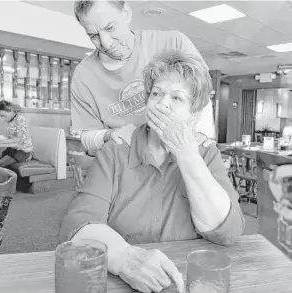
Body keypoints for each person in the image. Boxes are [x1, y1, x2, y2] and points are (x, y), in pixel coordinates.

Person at [60, 50, 245, 293]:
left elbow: (228, 231)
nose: (162, 103)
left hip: (186, 280)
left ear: (195, 114)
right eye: (156, 93)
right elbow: (77, 223)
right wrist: (125, 258)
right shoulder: (115, 151)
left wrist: (186, 154)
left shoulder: (205, 154)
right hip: (121, 282)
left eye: (177, 98)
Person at [71, 0, 216, 153]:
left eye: (110, 28)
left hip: (177, 156)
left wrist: (203, 133)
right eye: (93, 36)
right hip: (127, 163)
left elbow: (203, 95)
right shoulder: (83, 75)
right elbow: (87, 136)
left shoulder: (174, 43)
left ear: (126, 13)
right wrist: (109, 135)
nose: (105, 43)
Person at [0, 100, 33, 169]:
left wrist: (0, 141)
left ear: (10, 111)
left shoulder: (20, 119)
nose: (3, 118)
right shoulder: (11, 120)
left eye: (4, 116)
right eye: (1, 116)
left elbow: (17, 139)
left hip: (23, 152)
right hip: (14, 150)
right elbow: (12, 137)